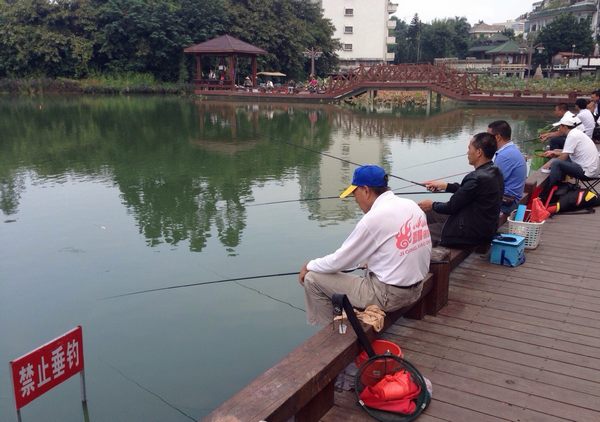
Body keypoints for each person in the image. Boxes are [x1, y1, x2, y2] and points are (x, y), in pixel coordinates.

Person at [299, 165, 432, 326]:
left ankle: (331, 336)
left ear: (366, 190)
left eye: (355, 195)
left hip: (389, 296)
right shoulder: (410, 205)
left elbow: (341, 261)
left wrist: (310, 265)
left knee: (312, 278)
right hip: (416, 289)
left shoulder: (374, 218)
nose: (356, 201)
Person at [418, 132, 504, 248]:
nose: (467, 152)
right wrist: (445, 185)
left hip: (469, 234)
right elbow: (469, 192)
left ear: (479, 152)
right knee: (427, 214)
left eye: (469, 148)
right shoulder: (495, 171)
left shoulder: (476, 178)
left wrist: (431, 204)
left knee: (419, 232)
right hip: (483, 228)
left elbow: (451, 207)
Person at [540, 113, 600, 202]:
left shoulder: (572, 136)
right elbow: (567, 152)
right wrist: (553, 152)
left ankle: (549, 191)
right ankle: (559, 188)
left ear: (565, 127)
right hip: (591, 169)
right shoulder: (575, 133)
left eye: (560, 126)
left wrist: (548, 165)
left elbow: (564, 156)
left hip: (587, 172)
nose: (559, 129)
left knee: (556, 163)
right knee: (558, 157)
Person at [487, 120, 527, 217]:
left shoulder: (504, 156)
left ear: (497, 137)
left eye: (488, 136)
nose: (487, 140)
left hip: (507, 203)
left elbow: (491, 184)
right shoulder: (511, 150)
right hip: (513, 199)